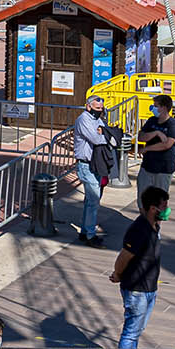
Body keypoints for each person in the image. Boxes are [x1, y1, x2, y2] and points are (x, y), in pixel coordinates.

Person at [111, 185, 167, 349]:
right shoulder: (138, 230)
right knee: (131, 332)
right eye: (164, 207)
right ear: (152, 209)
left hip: (149, 288)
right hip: (136, 290)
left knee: (138, 329)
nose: (167, 210)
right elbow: (123, 257)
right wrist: (118, 274)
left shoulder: (155, 225)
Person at [73, 94, 112, 245]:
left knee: (91, 201)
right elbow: (97, 139)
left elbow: (105, 132)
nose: (99, 111)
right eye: (97, 108)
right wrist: (105, 135)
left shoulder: (97, 119)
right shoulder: (84, 120)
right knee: (93, 201)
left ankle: (85, 231)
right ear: (88, 106)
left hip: (96, 164)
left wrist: (105, 133)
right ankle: (90, 234)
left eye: (101, 108)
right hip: (86, 164)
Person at [134, 93, 175, 215]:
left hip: (163, 168)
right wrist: (156, 133)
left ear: (163, 108)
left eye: (155, 106)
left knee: (160, 201)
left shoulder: (173, 124)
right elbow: (141, 136)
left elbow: (167, 144)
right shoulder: (151, 121)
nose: (153, 108)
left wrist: (148, 149)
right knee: (143, 198)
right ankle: (144, 222)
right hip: (147, 166)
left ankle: (155, 227)